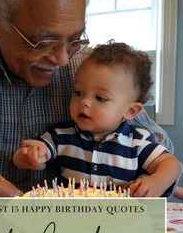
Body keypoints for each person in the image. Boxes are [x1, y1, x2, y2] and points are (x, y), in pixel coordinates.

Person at [0, 0, 177, 221]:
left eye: (76, 38)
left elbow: (159, 149)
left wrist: (147, 181)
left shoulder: (89, 69)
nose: (63, 58)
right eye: (42, 42)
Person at [13, 42, 181, 197]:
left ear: (130, 111)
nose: (84, 102)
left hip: (121, 221)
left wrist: (157, 182)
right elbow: (31, 157)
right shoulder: (61, 135)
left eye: (100, 98)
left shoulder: (137, 142)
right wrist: (30, 157)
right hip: (70, 218)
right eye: (78, 92)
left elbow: (170, 164)